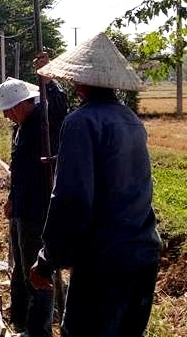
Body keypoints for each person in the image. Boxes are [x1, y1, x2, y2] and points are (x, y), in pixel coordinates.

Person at [29, 33, 162, 337]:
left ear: (81, 82)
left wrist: (46, 261)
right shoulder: (130, 120)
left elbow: (72, 201)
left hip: (105, 260)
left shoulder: (81, 122)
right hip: (143, 256)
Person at [0, 77, 65, 337]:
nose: (7, 115)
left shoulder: (43, 123)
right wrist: (12, 198)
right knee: (19, 264)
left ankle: (38, 327)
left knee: (37, 269)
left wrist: (50, 82)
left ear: (22, 104)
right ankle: (19, 314)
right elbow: (18, 169)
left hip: (38, 208)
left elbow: (59, 109)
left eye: (8, 109)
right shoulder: (20, 128)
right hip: (22, 205)